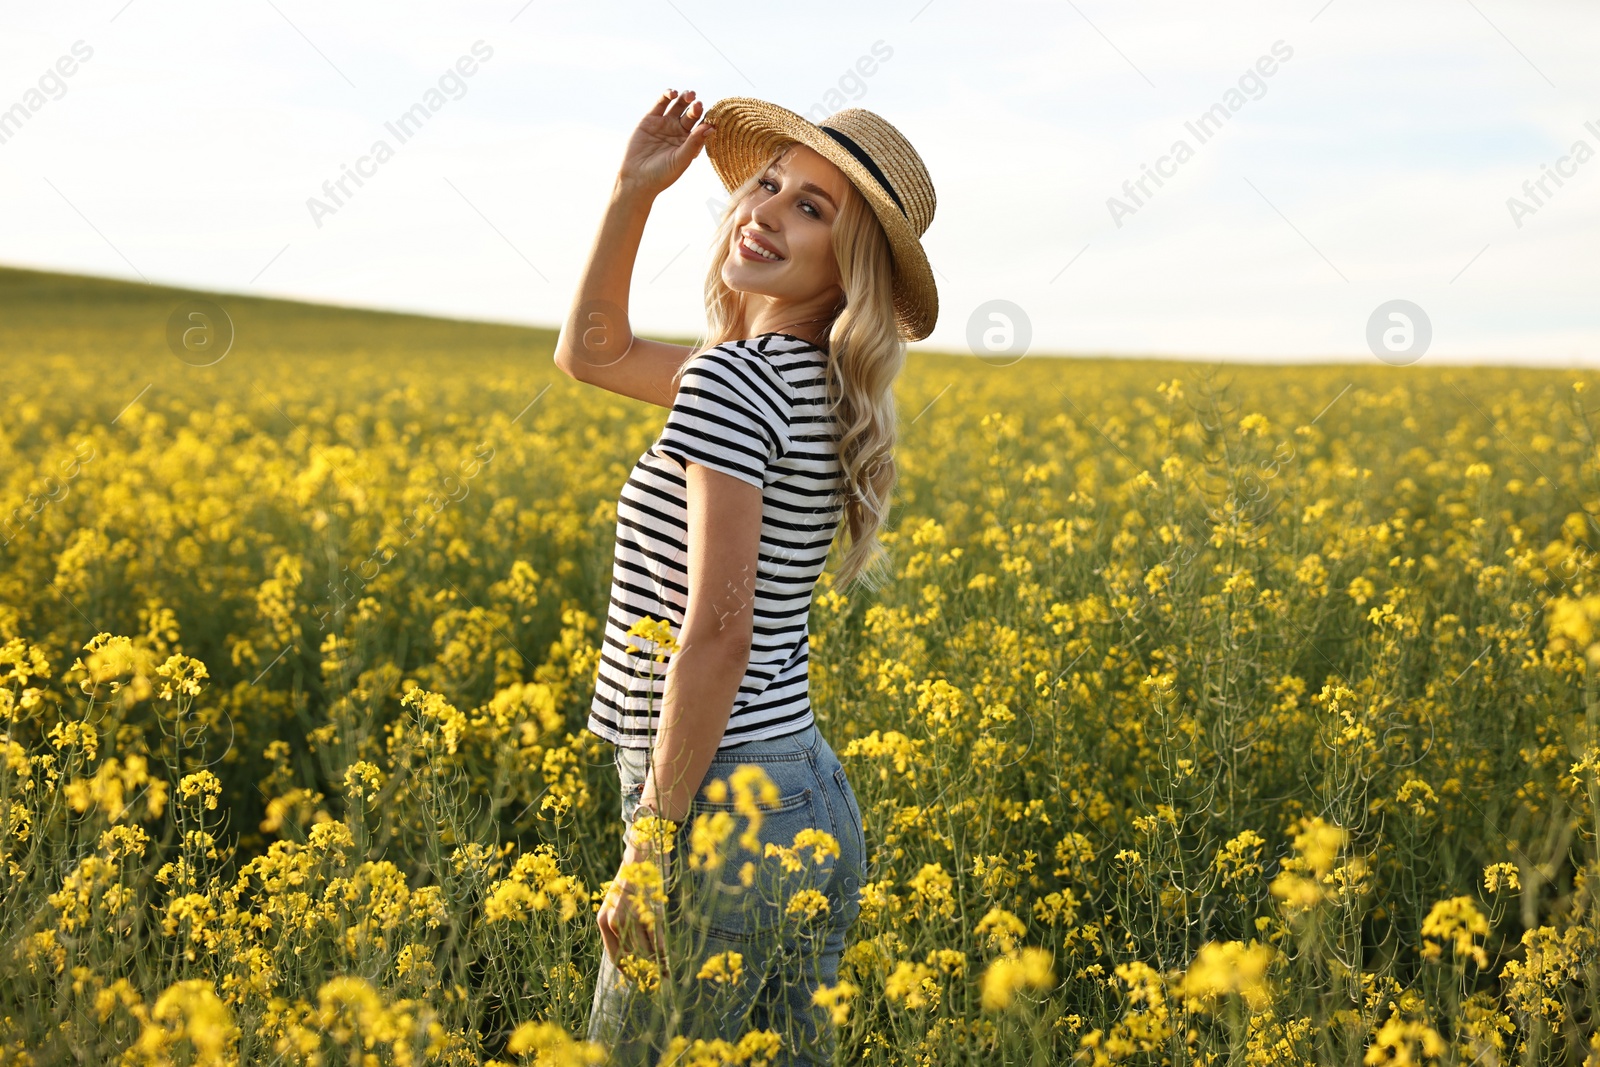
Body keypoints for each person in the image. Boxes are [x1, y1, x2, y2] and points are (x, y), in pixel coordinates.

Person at [552, 88, 940, 1066]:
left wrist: (651, 838)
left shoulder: (733, 383)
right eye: (768, 185)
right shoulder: (798, 378)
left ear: (845, 268)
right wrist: (632, 192)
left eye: (813, 208)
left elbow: (715, 632)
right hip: (801, 797)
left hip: (717, 807)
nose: (768, 209)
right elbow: (589, 353)